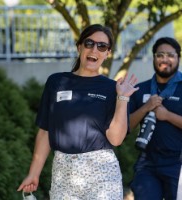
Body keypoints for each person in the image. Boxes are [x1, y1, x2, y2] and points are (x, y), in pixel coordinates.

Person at [17, 24, 138, 200]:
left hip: (102, 174)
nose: (94, 49)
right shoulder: (56, 82)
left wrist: (123, 98)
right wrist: (33, 173)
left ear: (107, 53)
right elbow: (45, 131)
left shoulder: (113, 88)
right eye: (89, 43)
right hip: (63, 173)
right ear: (79, 46)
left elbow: (116, 139)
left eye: (102, 46)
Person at [129, 37, 182, 200]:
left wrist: (167, 116)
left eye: (170, 55)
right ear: (153, 58)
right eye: (160, 55)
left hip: (178, 163)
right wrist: (146, 107)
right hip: (148, 163)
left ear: (178, 58)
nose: (165, 59)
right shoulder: (140, 89)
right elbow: (126, 127)